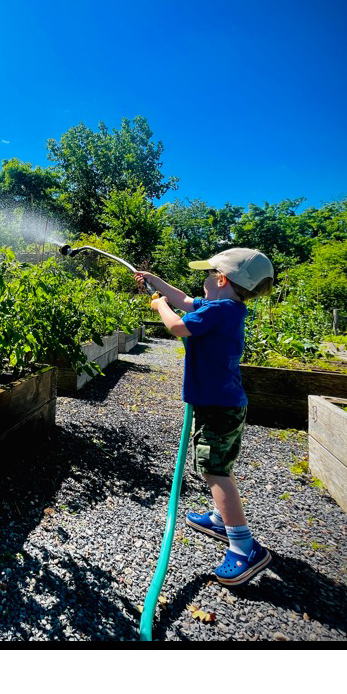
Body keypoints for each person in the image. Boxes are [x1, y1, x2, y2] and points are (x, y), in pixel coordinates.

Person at [135, 248, 275, 586]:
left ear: (222, 279)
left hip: (218, 406)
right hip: (218, 403)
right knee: (216, 463)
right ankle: (218, 518)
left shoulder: (221, 311)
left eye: (209, 275)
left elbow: (178, 326)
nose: (204, 282)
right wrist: (155, 283)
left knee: (215, 470)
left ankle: (244, 547)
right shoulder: (223, 307)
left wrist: (159, 305)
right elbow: (184, 299)